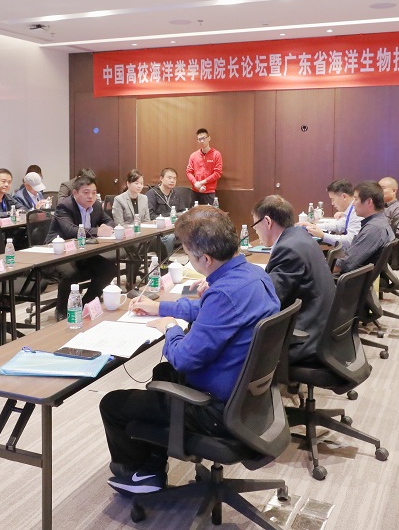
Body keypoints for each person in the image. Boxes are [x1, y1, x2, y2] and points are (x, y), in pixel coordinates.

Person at [100, 206, 280, 494]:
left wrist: (170, 328)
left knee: (113, 403)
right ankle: (152, 465)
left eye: (188, 255)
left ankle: (137, 474)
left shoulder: (224, 293)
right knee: (163, 372)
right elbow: (211, 312)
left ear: (205, 259)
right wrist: (161, 307)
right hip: (249, 399)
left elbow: (184, 359)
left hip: (218, 410)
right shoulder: (253, 275)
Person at [252, 195, 335, 363]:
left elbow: (268, 299)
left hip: (306, 339)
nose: (255, 230)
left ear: (267, 221)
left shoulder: (288, 249)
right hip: (323, 327)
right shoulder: (300, 237)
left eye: (255, 225)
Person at [47, 175, 117, 318]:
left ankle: (85, 304)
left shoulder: (96, 205)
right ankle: (61, 311)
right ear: (75, 193)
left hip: (82, 252)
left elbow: (110, 221)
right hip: (58, 252)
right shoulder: (65, 206)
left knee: (109, 269)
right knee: (70, 274)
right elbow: (70, 231)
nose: (91, 196)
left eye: (94, 192)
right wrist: (98, 231)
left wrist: (106, 227)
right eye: (86, 192)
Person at [333, 181, 395, 276]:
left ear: (369, 202)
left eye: (356, 199)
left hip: (351, 279)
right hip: (358, 276)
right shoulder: (380, 221)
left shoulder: (374, 229)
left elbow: (343, 265)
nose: (353, 204)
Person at [298, 179, 361, 248]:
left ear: (344, 196)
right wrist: (314, 226)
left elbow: (350, 241)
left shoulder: (356, 212)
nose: (332, 203)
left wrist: (323, 235)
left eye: (333, 199)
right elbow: (338, 226)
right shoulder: (350, 210)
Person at [186, 128, 223, 206]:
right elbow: (189, 172)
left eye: (204, 138)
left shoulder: (216, 154)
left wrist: (202, 182)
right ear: (198, 141)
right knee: (193, 213)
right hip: (195, 191)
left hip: (209, 192)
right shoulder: (194, 155)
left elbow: (218, 173)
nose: (202, 141)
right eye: (200, 139)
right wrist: (195, 183)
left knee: (210, 213)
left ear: (209, 138)